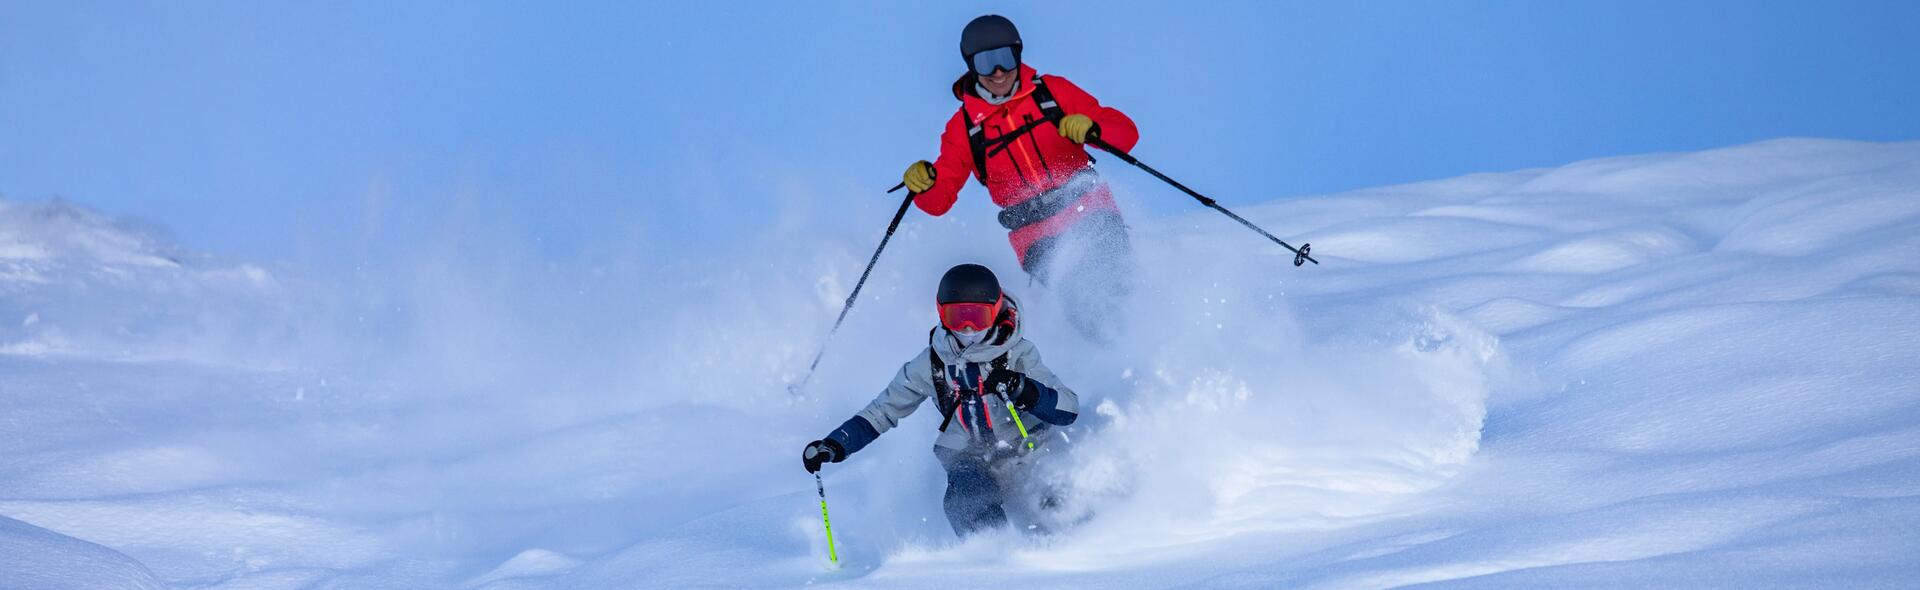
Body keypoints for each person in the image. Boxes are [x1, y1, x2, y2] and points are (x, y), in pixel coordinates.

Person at [901, 15, 1140, 341]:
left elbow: (1126, 133)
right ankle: (1118, 354)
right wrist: (924, 186)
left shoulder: (1052, 93)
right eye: (987, 63)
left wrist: (1093, 129)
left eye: (1005, 59)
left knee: (1119, 283)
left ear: (1018, 54)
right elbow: (940, 199)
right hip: (1036, 236)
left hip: (1090, 209)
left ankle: (1147, 343)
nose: (998, 72)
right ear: (972, 66)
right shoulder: (965, 128)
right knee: (1082, 300)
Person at [802, 264, 1080, 537]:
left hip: (1028, 447)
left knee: (1056, 496)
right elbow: (883, 410)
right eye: (957, 317)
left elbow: (1068, 409)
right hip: (970, 456)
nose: (969, 329)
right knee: (967, 498)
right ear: (941, 313)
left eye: (978, 317)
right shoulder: (932, 363)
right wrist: (836, 444)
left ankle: (1072, 552)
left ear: (995, 312)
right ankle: (996, 561)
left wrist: (1025, 390)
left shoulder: (1018, 354)